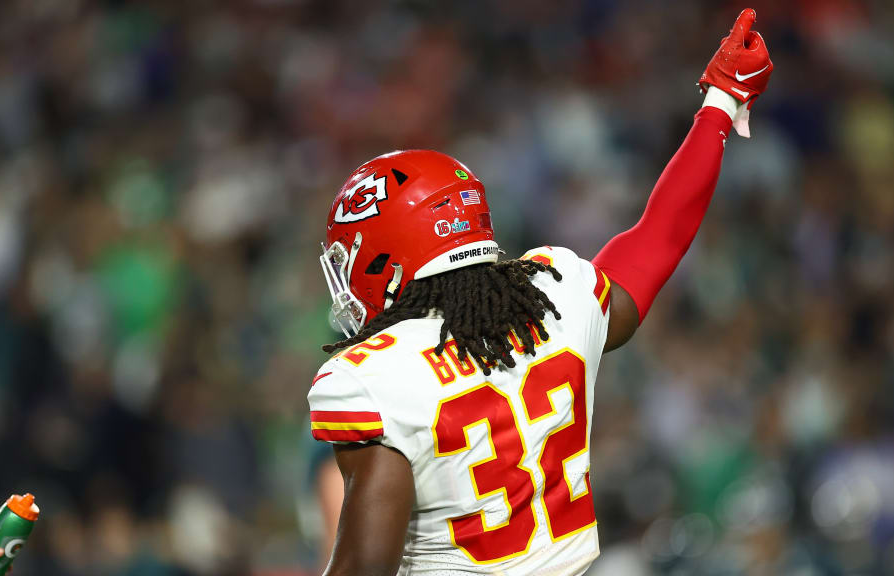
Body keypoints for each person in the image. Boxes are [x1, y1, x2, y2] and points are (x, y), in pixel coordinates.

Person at [307, 9, 773, 575]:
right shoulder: (554, 296)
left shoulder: (370, 378)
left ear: (386, 260)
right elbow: (657, 236)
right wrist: (720, 106)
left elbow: (363, 569)